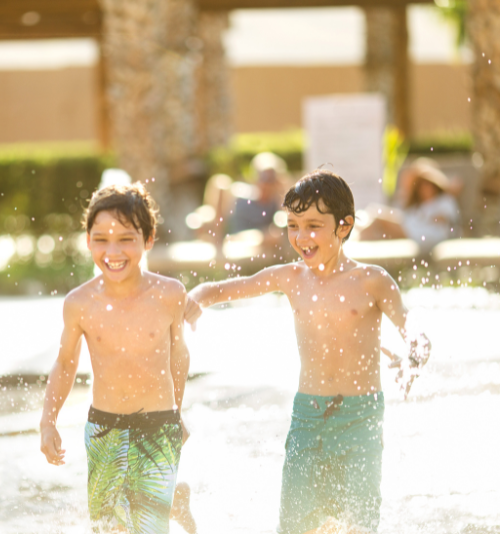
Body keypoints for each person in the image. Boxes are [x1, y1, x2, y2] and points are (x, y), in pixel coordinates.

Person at [185, 170, 430, 534]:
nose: (301, 237)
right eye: (293, 226)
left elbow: (413, 331)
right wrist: (196, 297)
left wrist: (414, 354)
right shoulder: (291, 277)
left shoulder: (372, 281)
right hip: (308, 417)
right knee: (297, 524)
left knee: (358, 523)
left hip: (360, 418)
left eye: (313, 226)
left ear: (344, 226)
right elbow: (229, 288)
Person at [39, 182, 192, 533]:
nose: (113, 251)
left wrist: (177, 413)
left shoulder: (169, 294)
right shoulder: (79, 303)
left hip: (157, 426)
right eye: (101, 239)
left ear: (148, 239)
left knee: (149, 527)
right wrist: (48, 422)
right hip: (104, 429)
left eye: (126, 238)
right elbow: (65, 363)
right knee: (108, 528)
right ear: (87, 240)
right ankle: (177, 501)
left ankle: (172, 502)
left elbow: (178, 355)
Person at [359, 160, 460, 252]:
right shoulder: (418, 204)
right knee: (374, 214)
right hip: (410, 227)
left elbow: (445, 219)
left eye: (428, 185)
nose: (425, 189)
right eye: (421, 186)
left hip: (422, 233)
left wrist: (428, 219)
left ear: (434, 185)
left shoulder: (444, 200)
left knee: (378, 217)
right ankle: (360, 240)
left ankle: (357, 239)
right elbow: (403, 211)